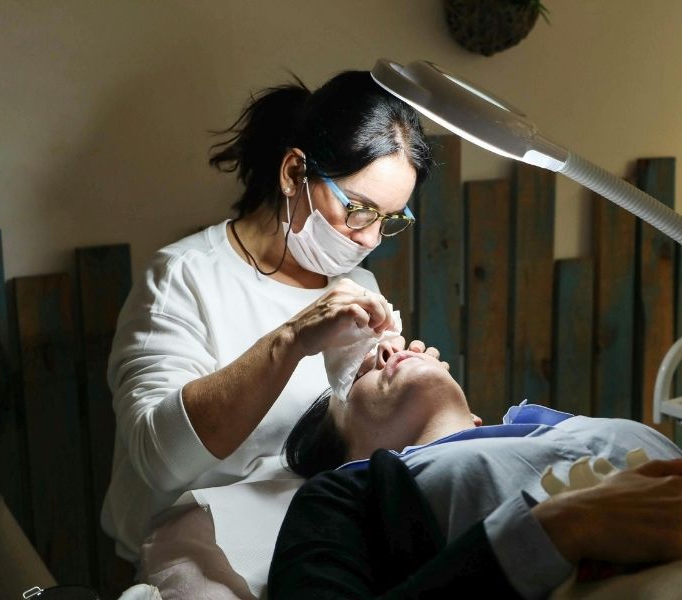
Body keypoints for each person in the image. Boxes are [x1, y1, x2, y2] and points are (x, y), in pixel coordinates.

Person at [100, 70, 433, 596]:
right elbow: (160, 463)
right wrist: (291, 340)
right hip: (189, 555)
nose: (370, 238)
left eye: (390, 219)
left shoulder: (358, 285)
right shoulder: (184, 278)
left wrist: (398, 386)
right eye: (358, 209)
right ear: (294, 171)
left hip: (310, 539)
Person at [268, 344, 682, 599]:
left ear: (478, 420)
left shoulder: (578, 427)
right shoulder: (346, 495)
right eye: (357, 374)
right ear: (351, 457)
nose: (391, 348)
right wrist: (562, 528)